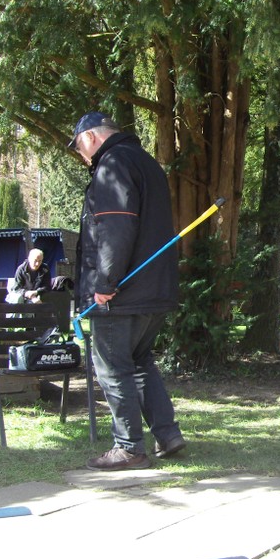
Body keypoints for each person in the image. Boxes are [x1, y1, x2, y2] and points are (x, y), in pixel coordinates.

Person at [69, 111, 185, 471]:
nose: (82, 157)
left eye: (79, 148)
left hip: (122, 294)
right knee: (139, 363)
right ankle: (167, 434)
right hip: (153, 290)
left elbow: (116, 228)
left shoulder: (113, 164)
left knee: (113, 366)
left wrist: (104, 283)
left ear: (90, 137)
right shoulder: (146, 162)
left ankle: (129, 448)